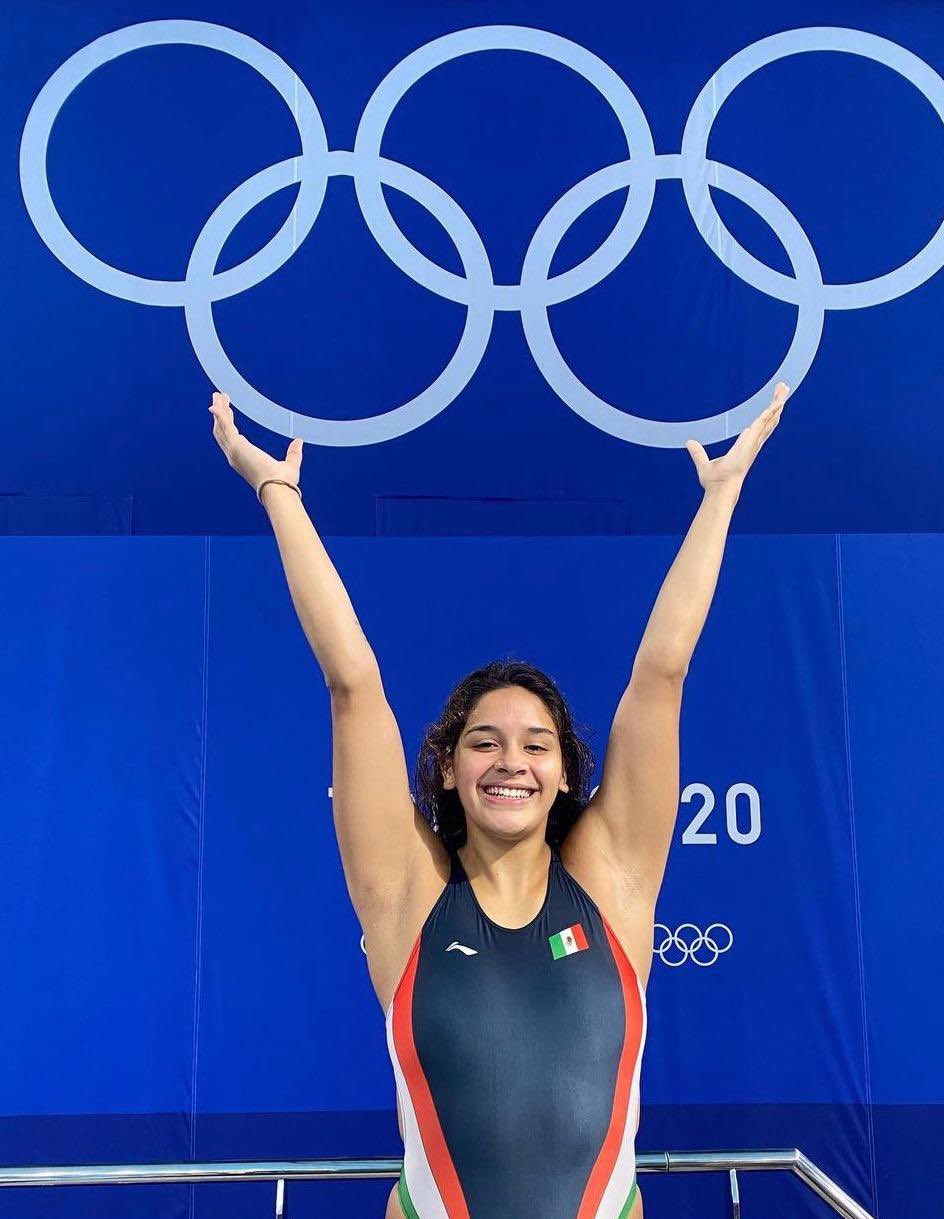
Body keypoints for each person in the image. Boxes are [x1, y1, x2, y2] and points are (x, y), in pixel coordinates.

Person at [209, 383, 788, 1218]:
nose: (509, 761)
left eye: (535, 744)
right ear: (446, 767)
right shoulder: (409, 900)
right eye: (484, 741)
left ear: (564, 775)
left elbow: (661, 674)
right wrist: (279, 493)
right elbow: (353, 681)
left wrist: (722, 494)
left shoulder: (612, 883)